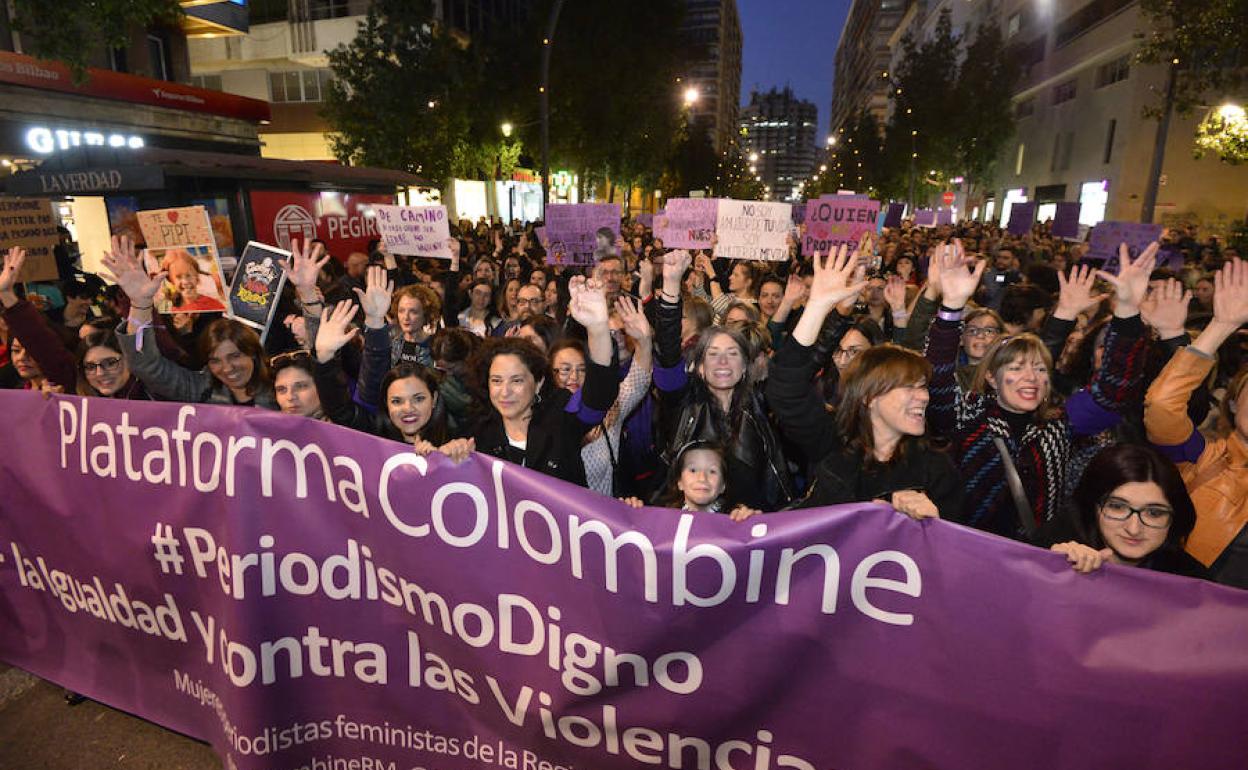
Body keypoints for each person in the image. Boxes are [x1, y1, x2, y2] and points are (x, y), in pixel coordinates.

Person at [926, 239, 1153, 540]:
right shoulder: (968, 415)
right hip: (965, 551)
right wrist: (952, 307)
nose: (1030, 377)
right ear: (992, 378)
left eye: (1040, 369)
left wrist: (1127, 312)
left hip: (1036, 561)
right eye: (1017, 368)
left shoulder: (1061, 423)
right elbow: (938, 377)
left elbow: (1114, 392)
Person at [767, 244, 963, 518]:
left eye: (922, 387)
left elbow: (962, 551)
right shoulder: (832, 443)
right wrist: (818, 306)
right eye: (909, 387)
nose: (924, 397)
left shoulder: (935, 469)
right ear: (870, 396)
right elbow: (785, 385)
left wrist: (935, 525)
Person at [653, 250, 794, 510]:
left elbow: (772, 484)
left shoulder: (760, 407)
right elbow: (668, 353)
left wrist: (759, 516)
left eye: (732, 354)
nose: (722, 362)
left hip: (744, 538)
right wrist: (671, 286)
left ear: (745, 367)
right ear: (700, 368)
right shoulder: (685, 403)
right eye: (713, 354)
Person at [450, 276, 620, 485]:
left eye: (517, 381)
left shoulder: (561, 417)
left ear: (538, 382)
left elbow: (598, 395)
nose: (505, 391)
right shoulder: (476, 433)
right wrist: (441, 456)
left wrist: (598, 328)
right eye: (496, 380)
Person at [1145, 258, 1248, 588]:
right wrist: (1220, 326)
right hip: (1195, 612)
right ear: (1232, 403)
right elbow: (1163, 405)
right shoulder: (1201, 454)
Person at [105, 236, 279, 409]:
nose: (227, 368)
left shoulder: (282, 390)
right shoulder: (201, 390)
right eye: (215, 361)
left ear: (254, 353)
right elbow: (145, 365)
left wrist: (308, 299)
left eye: (235, 356)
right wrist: (140, 303)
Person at [1046, 444, 1202, 577]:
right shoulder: (1054, 547)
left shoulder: (1195, 586)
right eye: (1117, 507)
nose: (1133, 529)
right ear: (1092, 505)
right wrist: (1048, 567)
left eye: (1154, 513)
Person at [621, 441, 761, 521]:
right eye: (693, 470)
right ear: (679, 482)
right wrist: (629, 515)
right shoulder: (660, 518)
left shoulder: (735, 518)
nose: (702, 478)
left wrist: (752, 524)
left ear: (723, 485)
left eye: (712, 471)